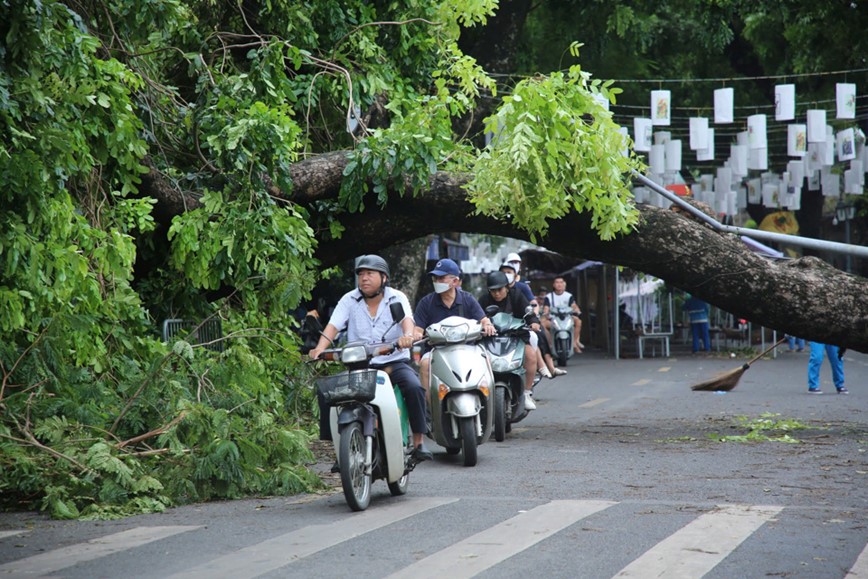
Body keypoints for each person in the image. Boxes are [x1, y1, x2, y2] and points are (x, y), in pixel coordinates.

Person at [309, 255, 433, 461]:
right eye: (360, 274)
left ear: (384, 278)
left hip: (392, 363)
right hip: (359, 365)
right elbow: (333, 326)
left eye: (369, 274)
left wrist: (408, 337)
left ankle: (419, 441)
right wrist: (319, 349)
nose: (364, 278)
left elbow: (407, 321)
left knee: (413, 386)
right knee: (327, 391)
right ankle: (337, 449)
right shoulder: (349, 299)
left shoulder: (396, 298)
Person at [412, 258, 496, 399]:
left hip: (467, 349)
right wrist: (414, 335)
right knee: (425, 364)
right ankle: (429, 411)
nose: (437, 282)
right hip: (436, 350)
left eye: (441, 278)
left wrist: (488, 326)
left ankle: (488, 404)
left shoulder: (467, 299)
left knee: (487, 358)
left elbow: (484, 320)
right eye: (435, 278)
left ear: (455, 281)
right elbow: (418, 329)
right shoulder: (426, 303)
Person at [478, 271, 540, 410]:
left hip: (516, 337)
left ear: (506, 287)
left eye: (499, 289)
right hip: (490, 339)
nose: (496, 294)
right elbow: (476, 316)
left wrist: (534, 322)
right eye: (492, 290)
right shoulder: (483, 300)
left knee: (530, 356)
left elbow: (528, 313)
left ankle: (527, 393)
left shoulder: (517, 296)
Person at [499, 262, 564, 378]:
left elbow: (532, 304)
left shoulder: (520, 290)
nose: (497, 293)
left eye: (509, 272)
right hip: (500, 329)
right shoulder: (491, 294)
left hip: (520, 325)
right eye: (503, 273)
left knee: (537, 337)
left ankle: (547, 367)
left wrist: (533, 318)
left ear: (515, 274)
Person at [543, 276, 584, 353]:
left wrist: (577, 311)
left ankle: (574, 342)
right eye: (557, 282)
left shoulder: (569, 295)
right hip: (553, 319)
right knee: (542, 324)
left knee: (578, 321)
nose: (559, 284)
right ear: (553, 285)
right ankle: (550, 343)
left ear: (564, 284)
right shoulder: (548, 297)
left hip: (567, 318)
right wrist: (545, 313)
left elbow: (574, 306)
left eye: (561, 282)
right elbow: (546, 307)